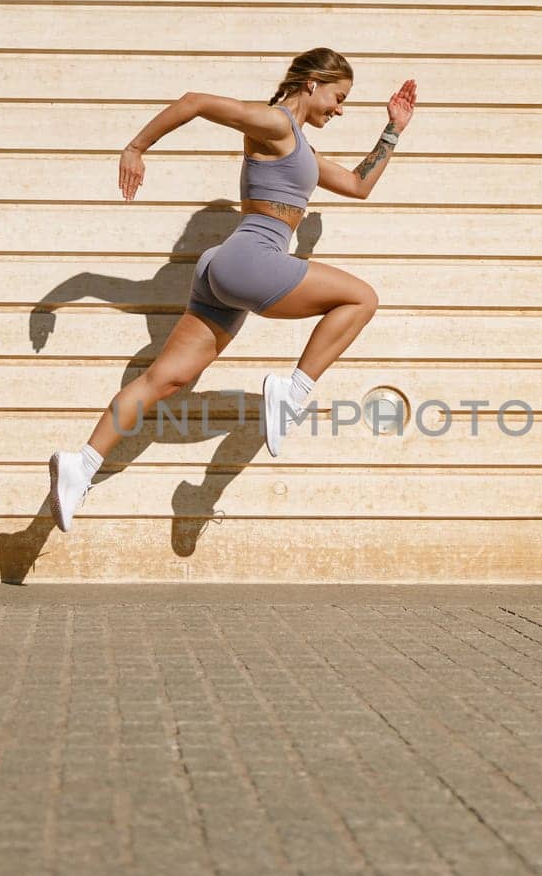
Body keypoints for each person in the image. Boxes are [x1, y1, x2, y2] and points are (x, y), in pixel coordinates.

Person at [49, 48, 417, 531]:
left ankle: (82, 465)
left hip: (221, 269)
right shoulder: (275, 123)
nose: (340, 109)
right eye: (338, 96)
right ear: (313, 83)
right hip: (251, 259)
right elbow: (195, 101)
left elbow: (356, 184)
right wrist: (135, 147)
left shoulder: (299, 146)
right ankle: (293, 389)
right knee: (362, 298)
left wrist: (392, 130)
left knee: (165, 380)